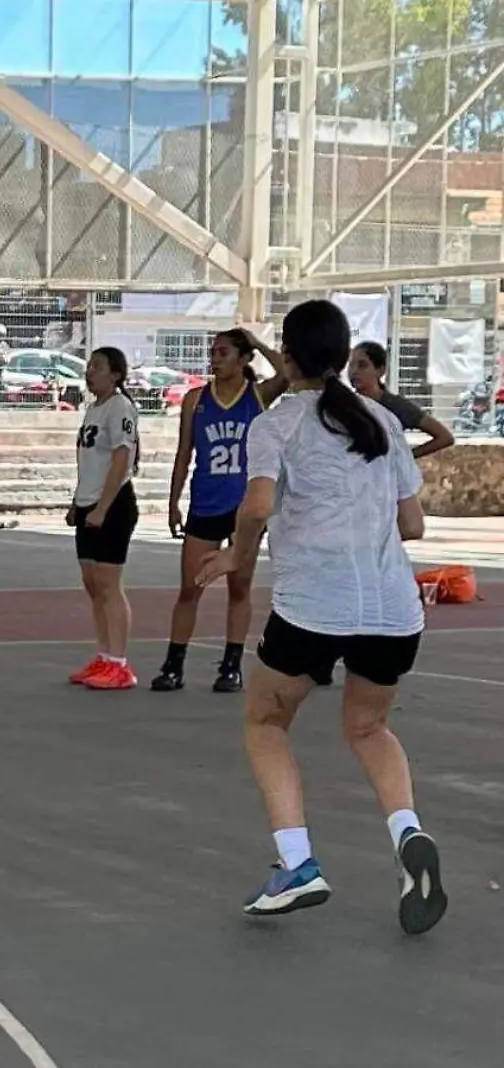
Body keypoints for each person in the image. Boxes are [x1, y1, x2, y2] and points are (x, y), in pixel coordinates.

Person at [195, 299, 444, 935]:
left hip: (314, 604)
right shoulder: (383, 422)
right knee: (368, 729)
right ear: (342, 354)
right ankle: (408, 833)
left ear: (289, 352)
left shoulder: (277, 424)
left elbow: (255, 503)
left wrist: (237, 554)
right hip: (393, 609)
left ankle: (298, 864)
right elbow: (411, 523)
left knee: (266, 720)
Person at [153, 329, 288, 693]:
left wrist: (258, 343)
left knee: (239, 587)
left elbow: (288, 373)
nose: (214, 358)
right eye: (213, 352)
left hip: (244, 507)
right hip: (206, 502)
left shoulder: (256, 396)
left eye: (223, 352)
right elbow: (185, 453)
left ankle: (231, 664)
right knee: (190, 587)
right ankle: (174, 662)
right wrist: (172, 503)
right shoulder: (196, 400)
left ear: (243, 359)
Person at [67, 346, 142, 691]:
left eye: (97, 367)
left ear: (115, 374)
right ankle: (103, 653)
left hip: (112, 504)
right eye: (89, 367)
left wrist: (102, 507)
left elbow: (121, 459)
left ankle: (119, 662)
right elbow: (88, 462)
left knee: (110, 584)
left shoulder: (120, 407)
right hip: (88, 502)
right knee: (93, 583)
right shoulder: (93, 410)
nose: (90, 372)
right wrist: (77, 503)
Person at [347, 341, 455, 460]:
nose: (354, 371)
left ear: (380, 371)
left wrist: (405, 458)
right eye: (351, 365)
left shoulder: (394, 405)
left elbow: (445, 437)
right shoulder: (346, 404)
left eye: (362, 365)